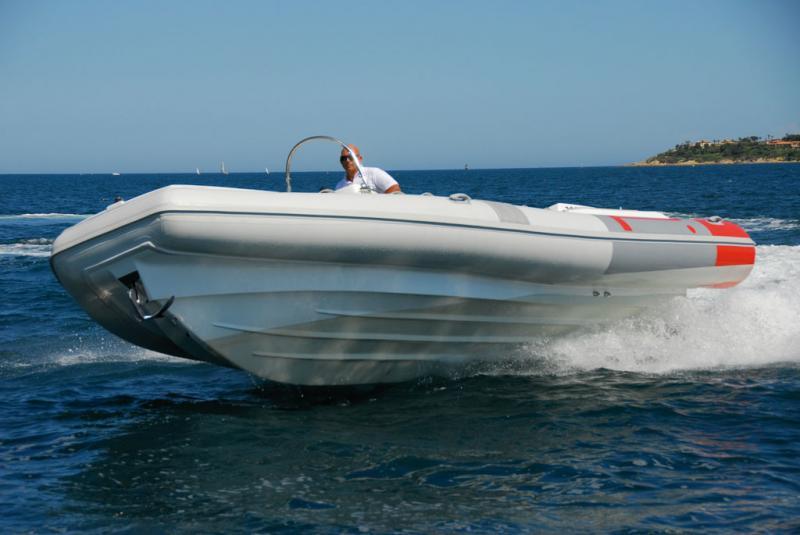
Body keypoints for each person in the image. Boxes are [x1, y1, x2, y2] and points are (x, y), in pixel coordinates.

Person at [335, 144, 401, 194]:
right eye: (343, 158)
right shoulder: (340, 186)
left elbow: (395, 189)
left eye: (351, 157)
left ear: (360, 159)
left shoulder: (374, 173)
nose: (347, 161)